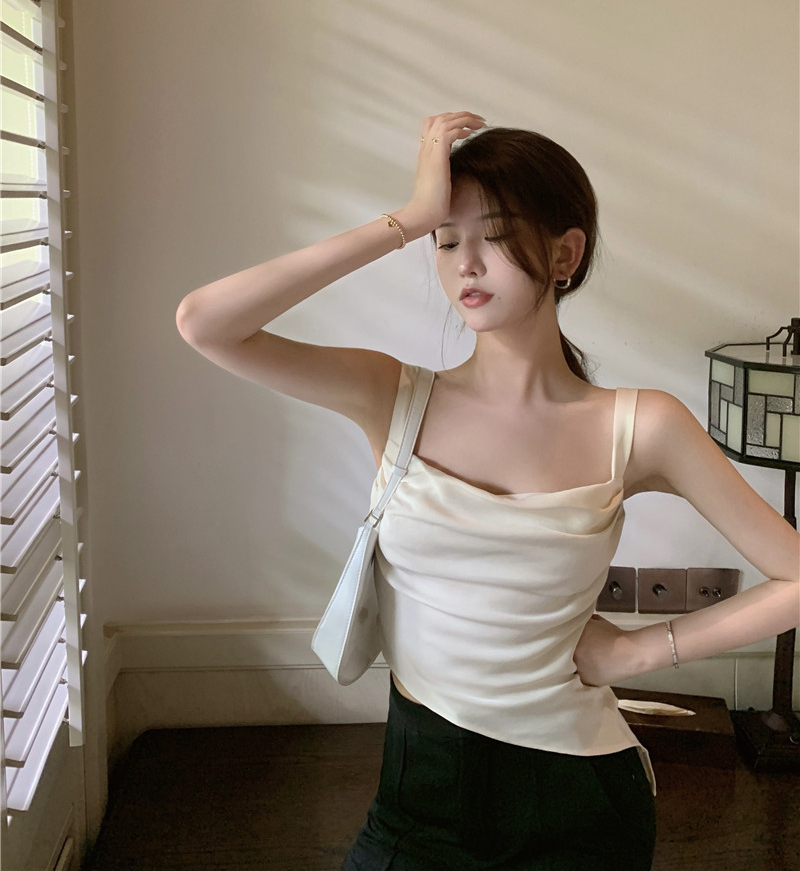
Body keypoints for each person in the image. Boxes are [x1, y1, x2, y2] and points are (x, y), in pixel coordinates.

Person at [176, 111, 800, 871]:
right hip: (419, 793)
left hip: (579, 798)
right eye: (447, 241)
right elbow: (206, 323)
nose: (465, 263)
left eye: (495, 236)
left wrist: (639, 651)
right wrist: (408, 218)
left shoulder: (641, 426)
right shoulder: (394, 397)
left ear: (565, 253)